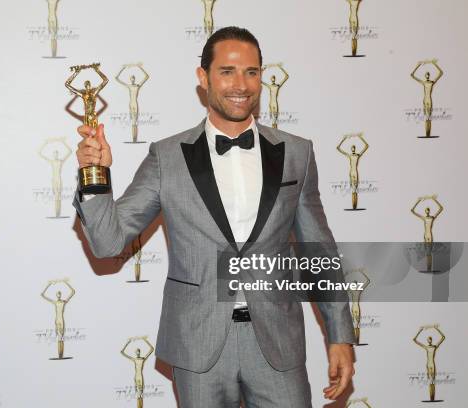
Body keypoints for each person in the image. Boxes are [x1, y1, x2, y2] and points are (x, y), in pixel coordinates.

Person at [73, 26, 355, 407]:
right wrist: (96, 179)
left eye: (251, 72)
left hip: (277, 343)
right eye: (227, 71)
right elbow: (108, 242)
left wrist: (339, 333)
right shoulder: (167, 157)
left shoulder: (297, 153)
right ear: (203, 78)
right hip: (198, 346)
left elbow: (317, 248)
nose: (241, 84)